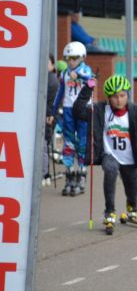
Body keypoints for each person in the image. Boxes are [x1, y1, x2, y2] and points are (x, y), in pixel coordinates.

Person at [72, 75, 137, 234]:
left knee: (132, 188)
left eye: (122, 96)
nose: (119, 100)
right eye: (115, 96)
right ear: (108, 97)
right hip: (109, 154)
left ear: (127, 95)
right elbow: (78, 111)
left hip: (130, 157)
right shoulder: (100, 110)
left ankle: (132, 210)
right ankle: (109, 211)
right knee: (110, 170)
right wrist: (88, 88)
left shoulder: (134, 111)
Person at [49, 41, 94, 196]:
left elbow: (91, 79)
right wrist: (52, 112)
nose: (71, 61)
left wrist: (80, 74)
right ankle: (70, 176)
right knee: (68, 144)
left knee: (82, 144)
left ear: (82, 57)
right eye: (68, 58)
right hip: (68, 110)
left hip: (83, 110)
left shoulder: (86, 70)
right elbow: (60, 93)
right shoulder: (64, 73)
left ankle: (81, 177)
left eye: (74, 58)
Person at [43, 54, 60, 186]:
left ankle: (44, 173)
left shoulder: (51, 80)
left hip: (48, 116)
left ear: (52, 65)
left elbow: (51, 101)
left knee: (44, 145)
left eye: (47, 62)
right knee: (45, 144)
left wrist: (50, 114)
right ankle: (44, 173)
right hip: (49, 116)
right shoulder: (49, 79)